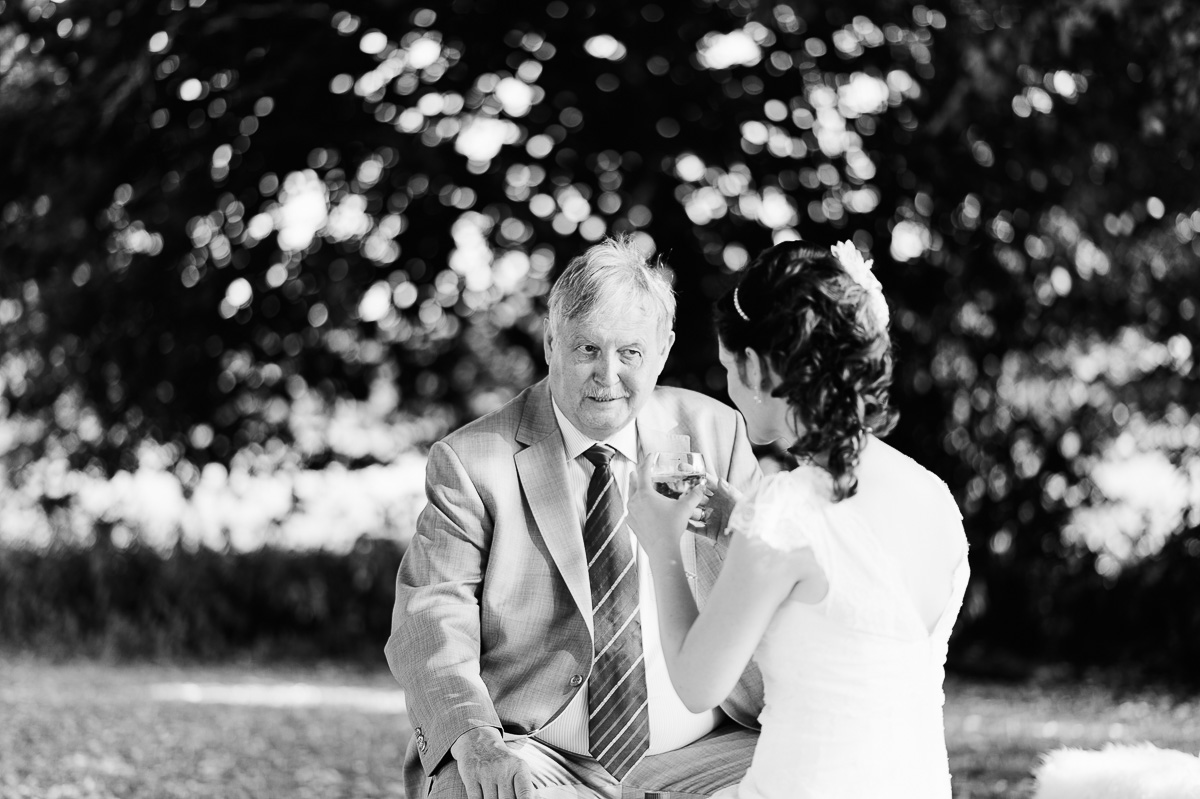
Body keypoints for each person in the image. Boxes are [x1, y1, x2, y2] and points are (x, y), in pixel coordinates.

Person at [386, 235, 765, 799]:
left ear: (662, 351)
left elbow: (764, 580)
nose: (606, 375)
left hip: (708, 749)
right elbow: (431, 618)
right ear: (549, 342)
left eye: (630, 353)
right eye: (586, 349)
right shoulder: (472, 461)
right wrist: (475, 739)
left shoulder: (716, 433)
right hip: (540, 753)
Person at [625, 240, 970, 799]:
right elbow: (850, 615)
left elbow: (695, 683)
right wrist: (742, 528)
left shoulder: (786, 512)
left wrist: (663, 544)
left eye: (729, 370)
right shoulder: (929, 492)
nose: (729, 390)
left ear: (759, 368)